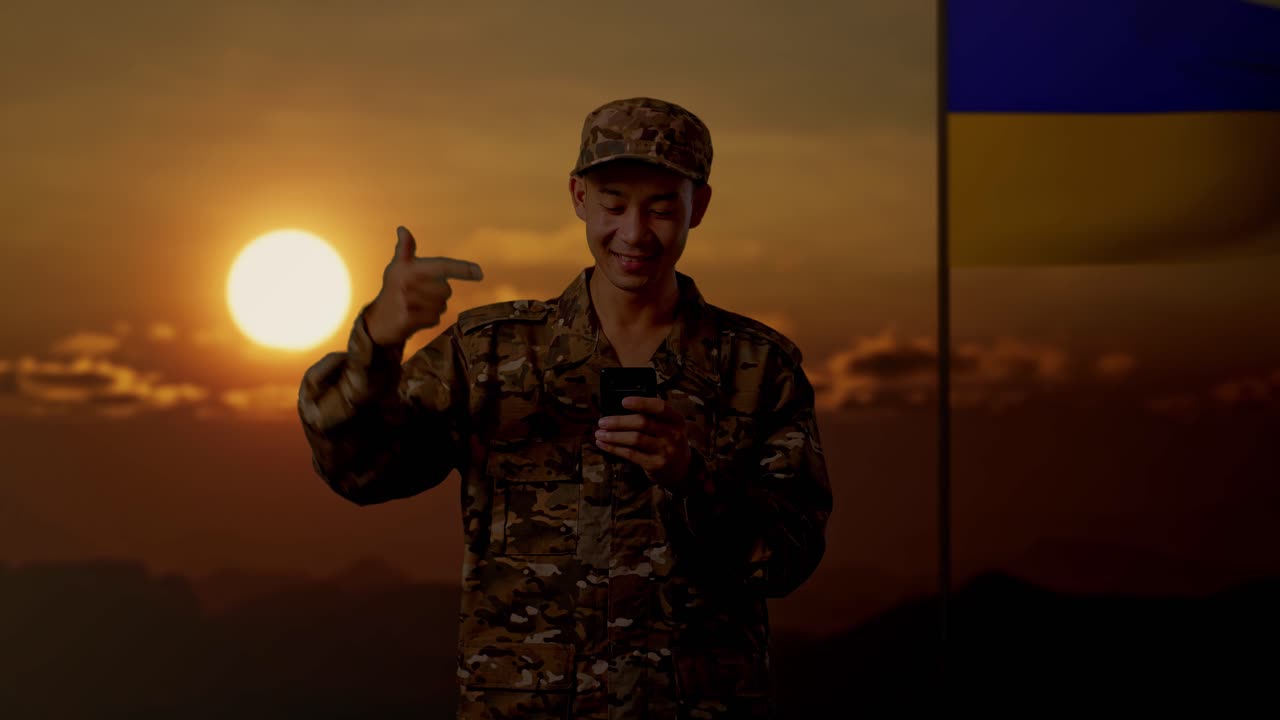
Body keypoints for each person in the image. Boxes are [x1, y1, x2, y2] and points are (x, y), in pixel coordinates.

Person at [297, 96, 832, 720]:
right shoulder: (490, 355)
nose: (634, 233)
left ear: (700, 206)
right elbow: (359, 472)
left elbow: (790, 557)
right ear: (578, 197)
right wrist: (377, 345)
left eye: (661, 208)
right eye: (613, 205)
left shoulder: (760, 368)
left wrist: (693, 479)